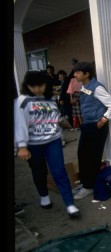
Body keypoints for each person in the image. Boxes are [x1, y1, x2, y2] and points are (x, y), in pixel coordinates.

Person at [14, 70, 80, 218]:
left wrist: (61, 131)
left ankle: (70, 204)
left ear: (46, 84)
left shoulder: (50, 99)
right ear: (28, 86)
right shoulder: (23, 100)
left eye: (40, 85)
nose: (37, 89)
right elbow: (20, 123)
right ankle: (44, 196)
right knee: (39, 170)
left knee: (59, 171)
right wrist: (22, 146)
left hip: (53, 140)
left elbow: (55, 119)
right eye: (33, 86)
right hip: (33, 143)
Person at [73, 62, 111, 200]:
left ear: (86, 74)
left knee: (93, 157)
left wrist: (103, 120)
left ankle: (89, 186)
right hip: (87, 125)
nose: (75, 75)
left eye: (78, 72)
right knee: (82, 153)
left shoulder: (97, 87)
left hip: (96, 126)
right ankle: (85, 183)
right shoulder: (85, 86)